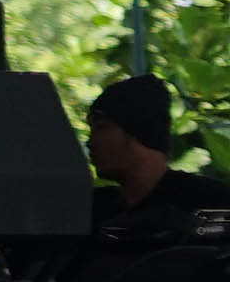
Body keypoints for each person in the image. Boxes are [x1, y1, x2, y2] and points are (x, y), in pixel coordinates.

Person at [87, 74, 229, 241]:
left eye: (101, 127)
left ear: (138, 130)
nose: (90, 142)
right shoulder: (93, 210)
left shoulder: (213, 203)